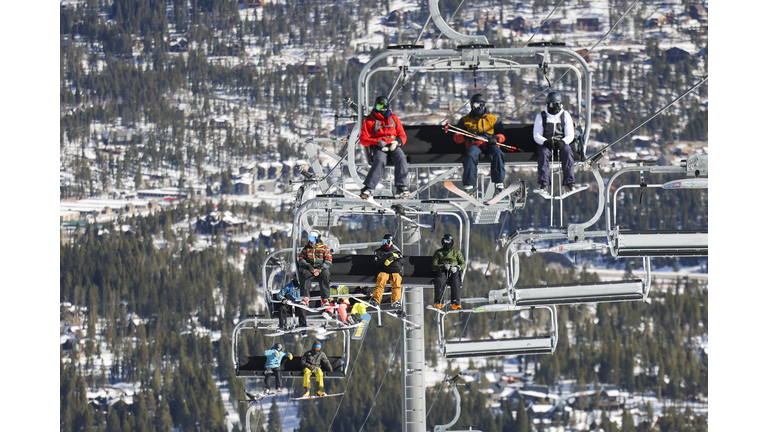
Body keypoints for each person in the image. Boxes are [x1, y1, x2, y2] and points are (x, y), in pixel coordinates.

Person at [452, 93, 508, 197]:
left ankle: (499, 183)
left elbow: (502, 134)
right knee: (470, 154)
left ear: (485, 105)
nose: (478, 108)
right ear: (472, 106)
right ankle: (470, 185)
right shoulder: (465, 120)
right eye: (475, 105)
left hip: (489, 143)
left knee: (498, 153)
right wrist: (466, 137)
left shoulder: (493, 119)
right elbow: (456, 138)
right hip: (474, 144)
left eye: (481, 105)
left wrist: (496, 138)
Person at [358, 95, 410, 199]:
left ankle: (401, 186)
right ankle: (368, 187)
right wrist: (377, 142)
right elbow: (363, 139)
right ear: (375, 107)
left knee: (401, 157)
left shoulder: (393, 119)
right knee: (379, 160)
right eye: (379, 106)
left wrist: (397, 142)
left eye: (384, 106)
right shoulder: (370, 121)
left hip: (392, 145)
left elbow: (402, 135)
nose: (382, 109)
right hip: (380, 146)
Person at [532, 91, 576, 194]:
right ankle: (544, 184)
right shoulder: (541, 116)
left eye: (557, 105)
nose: (554, 107)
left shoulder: (565, 116)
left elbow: (570, 134)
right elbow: (536, 135)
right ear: (548, 104)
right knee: (543, 153)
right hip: (546, 144)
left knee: (568, 151)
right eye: (552, 105)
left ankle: (569, 183)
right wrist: (545, 142)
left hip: (561, 143)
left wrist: (563, 142)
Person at [297, 229, 333, 308]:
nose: (310, 241)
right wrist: (307, 265)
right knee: (305, 274)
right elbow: (301, 258)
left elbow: (328, 260)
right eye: (309, 239)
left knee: (325, 275)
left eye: (312, 239)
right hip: (310, 268)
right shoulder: (307, 248)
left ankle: (325, 298)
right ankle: (305, 298)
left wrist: (322, 267)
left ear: (318, 239)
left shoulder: (324, 248)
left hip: (321, 269)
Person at [431, 234, 466, 310]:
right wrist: (441, 266)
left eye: (448, 241)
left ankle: (455, 302)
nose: (447, 243)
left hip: (453, 270)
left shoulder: (456, 252)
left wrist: (457, 267)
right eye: (445, 241)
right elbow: (433, 265)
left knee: (455, 281)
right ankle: (438, 302)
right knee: (440, 280)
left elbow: (463, 263)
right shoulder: (438, 253)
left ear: (452, 242)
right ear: (442, 242)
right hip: (442, 270)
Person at [370, 233, 404, 309]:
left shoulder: (396, 252)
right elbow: (376, 262)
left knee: (397, 280)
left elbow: (402, 260)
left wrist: (394, 258)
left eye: (388, 242)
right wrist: (385, 257)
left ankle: (396, 300)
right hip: (383, 271)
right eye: (384, 241)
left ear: (392, 243)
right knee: (381, 280)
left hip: (393, 271)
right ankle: (376, 299)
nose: (385, 244)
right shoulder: (379, 252)